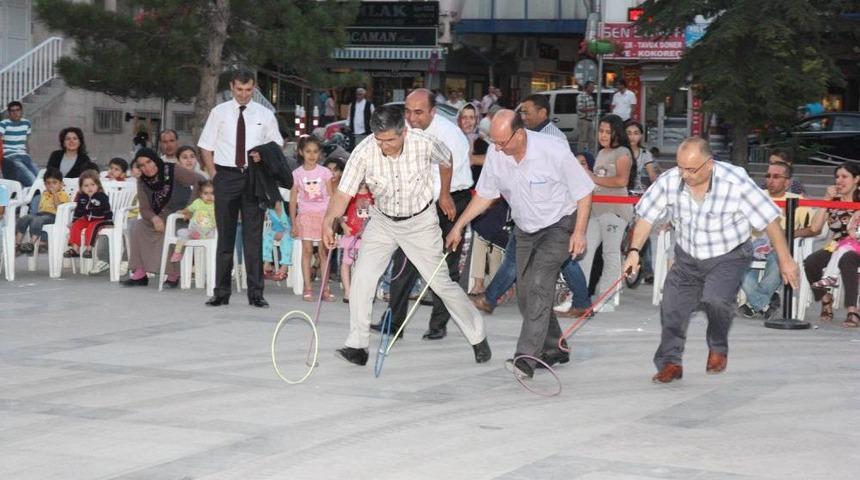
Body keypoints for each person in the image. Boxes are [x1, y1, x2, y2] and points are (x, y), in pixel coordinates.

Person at [321, 105, 490, 366]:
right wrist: (328, 222)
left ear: (404, 132)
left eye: (390, 140)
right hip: (382, 221)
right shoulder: (364, 151)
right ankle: (357, 345)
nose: (384, 145)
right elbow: (343, 194)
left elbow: (446, 161)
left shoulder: (423, 142)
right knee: (363, 277)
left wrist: (444, 193)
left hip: (420, 223)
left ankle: (477, 336)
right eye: (380, 139)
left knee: (441, 283)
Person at [622, 137, 799, 384]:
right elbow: (646, 217)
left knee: (715, 301)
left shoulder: (734, 180)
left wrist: (785, 260)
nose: (684, 175)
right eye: (680, 167)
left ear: (709, 164)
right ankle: (671, 362)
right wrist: (633, 251)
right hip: (687, 256)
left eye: (691, 169)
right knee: (672, 308)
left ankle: (717, 346)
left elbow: (770, 220)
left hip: (729, 255)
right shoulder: (670, 180)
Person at [445, 110, 594, 378]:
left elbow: (584, 191)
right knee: (526, 296)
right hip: (525, 229)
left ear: (520, 133)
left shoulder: (553, 150)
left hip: (559, 224)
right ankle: (555, 347)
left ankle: (526, 357)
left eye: (503, 142)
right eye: (494, 142)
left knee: (539, 283)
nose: (498, 148)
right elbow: (484, 196)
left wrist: (579, 232)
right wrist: (459, 225)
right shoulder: (496, 154)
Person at [380, 88, 474, 341]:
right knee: (404, 262)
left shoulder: (449, 135)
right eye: (408, 111)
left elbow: (443, 175)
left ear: (433, 111)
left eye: (418, 112)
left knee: (444, 267)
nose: (412, 117)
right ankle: (393, 322)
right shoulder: (406, 131)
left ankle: (438, 324)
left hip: (450, 200)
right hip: (418, 203)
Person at [198, 69, 284, 308]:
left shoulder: (265, 114)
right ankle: (221, 292)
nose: (244, 94)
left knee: (253, 237)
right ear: (231, 87)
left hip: (253, 177)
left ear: (254, 88)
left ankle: (256, 293)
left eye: (248, 90)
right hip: (225, 176)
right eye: (239, 90)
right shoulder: (219, 112)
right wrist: (214, 176)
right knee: (225, 236)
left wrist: (263, 155)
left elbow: (277, 144)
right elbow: (205, 146)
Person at [739, 161, 812, 318]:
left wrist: (790, 234)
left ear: (788, 182)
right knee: (735, 262)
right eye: (768, 176)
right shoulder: (756, 197)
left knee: (780, 257)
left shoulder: (798, 200)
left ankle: (757, 302)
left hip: (780, 246)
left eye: (776, 177)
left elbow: (814, 229)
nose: (770, 180)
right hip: (752, 244)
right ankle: (766, 300)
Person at [122, 148, 202, 289]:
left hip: (181, 216)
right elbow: (145, 209)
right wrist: (154, 218)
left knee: (172, 230)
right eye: (142, 165)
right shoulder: (142, 182)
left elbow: (200, 180)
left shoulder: (172, 170)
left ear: (155, 160)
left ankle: (173, 274)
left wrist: (190, 208)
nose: (147, 167)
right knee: (138, 226)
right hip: (160, 216)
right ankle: (140, 273)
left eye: (149, 162)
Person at [800, 163, 860, 327]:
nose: (839, 180)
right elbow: (815, 228)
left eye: (844, 177)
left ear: (856, 179)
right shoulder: (833, 201)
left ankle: (852, 310)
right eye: (837, 177)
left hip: (857, 246)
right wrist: (826, 201)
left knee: (847, 259)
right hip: (835, 246)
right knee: (811, 261)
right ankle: (825, 299)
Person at [290, 135, 334, 301]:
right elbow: (293, 199)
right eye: (308, 151)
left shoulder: (325, 172)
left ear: (320, 153)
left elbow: (331, 195)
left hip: (323, 216)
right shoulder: (297, 174)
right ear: (301, 152)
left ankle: (325, 288)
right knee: (307, 251)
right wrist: (293, 222)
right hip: (306, 216)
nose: (312, 155)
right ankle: (308, 288)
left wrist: (332, 219)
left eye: (315, 151)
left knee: (323, 252)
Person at [16, 167, 69, 254]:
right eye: (48, 183)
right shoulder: (44, 193)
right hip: (40, 215)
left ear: (61, 184)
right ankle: (17, 244)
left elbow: (59, 207)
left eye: (54, 183)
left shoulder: (63, 194)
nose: (51, 185)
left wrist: (55, 194)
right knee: (24, 218)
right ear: (45, 184)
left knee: (37, 219)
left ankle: (32, 243)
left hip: (54, 217)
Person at [65, 170, 112, 259]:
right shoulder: (82, 197)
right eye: (86, 186)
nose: (90, 188)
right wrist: (74, 221)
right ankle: (75, 249)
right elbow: (78, 210)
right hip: (86, 219)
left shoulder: (102, 196)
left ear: (98, 185)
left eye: (92, 185)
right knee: (76, 225)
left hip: (100, 219)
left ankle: (88, 249)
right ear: (81, 188)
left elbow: (107, 209)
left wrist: (108, 221)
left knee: (92, 227)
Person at [338, 181, 373, 302]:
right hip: (351, 235)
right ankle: (348, 291)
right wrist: (344, 226)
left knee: (365, 265)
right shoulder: (350, 196)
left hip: (367, 237)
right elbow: (339, 213)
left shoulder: (374, 196)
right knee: (346, 263)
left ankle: (364, 291)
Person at [171, 180, 217, 263]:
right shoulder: (197, 203)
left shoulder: (216, 206)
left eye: (212, 193)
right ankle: (177, 253)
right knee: (181, 232)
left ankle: (199, 236)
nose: (209, 196)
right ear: (200, 194)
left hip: (208, 233)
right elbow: (188, 209)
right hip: (194, 230)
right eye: (205, 193)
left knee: (214, 234)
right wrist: (182, 212)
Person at [0, 101, 39, 187]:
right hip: (10, 156)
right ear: (9, 112)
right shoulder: (4, 123)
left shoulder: (27, 123)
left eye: (17, 110)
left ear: (21, 111)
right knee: (31, 179)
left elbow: (26, 142)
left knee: (40, 177)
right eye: (12, 111)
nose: (15, 113)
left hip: (24, 156)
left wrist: (28, 154)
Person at [263, 199, 292, 282]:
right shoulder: (269, 209)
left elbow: (295, 223)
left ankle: (284, 266)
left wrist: (285, 232)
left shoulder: (287, 205)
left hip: (290, 232)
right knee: (267, 235)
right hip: (276, 231)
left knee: (286, 238)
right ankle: (267, 263)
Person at [625, 120, 658, 192]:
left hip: (636, 191)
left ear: (641, 135)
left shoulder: (645, 153)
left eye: (636, 133)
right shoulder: (619, 151)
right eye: (629, 133)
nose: (632, 137)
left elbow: (652, 175)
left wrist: (658, 189)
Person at [576, 82, 597, 153]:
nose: (593, 88)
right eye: (591, 87)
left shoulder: (590, 96)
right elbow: (580, 108)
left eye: (593, 87)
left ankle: (592, 156)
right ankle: (580, 155)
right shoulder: (581, 96)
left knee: (592, 140)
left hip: (590, 120)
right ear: (587, 87)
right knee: (582, 139)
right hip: (583, 120)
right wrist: (593, 109)